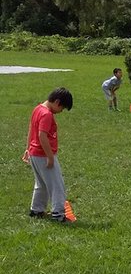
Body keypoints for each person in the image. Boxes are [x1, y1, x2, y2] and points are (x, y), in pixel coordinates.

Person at [24, 87, 74, 222]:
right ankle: (58, 214)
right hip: (43, 155)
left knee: (41, 184)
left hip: (34, 153)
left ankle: (37, 210)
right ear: (57, 102)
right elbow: (42, 136)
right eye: (62, 108)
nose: (60, 112)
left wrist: (28, 148)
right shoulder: (47, 114)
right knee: (57, 185)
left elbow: (31, 129)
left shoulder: (38, 109)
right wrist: (50, 157)